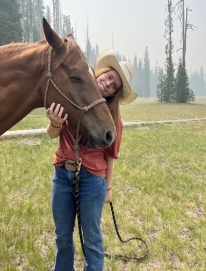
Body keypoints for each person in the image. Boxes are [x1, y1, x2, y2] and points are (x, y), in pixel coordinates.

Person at [46, 49, 137, 271]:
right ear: (98, 73)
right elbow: (51, 134)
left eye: (114, 85)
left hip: (92, 180)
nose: (107, 84)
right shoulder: (70, 99)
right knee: (62, 237)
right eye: (107, 77)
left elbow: (111, 156)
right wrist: (55, 122)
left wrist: (108, 188)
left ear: (114, 93)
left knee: (92, 240)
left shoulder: (113, 119)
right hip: (62, 175)